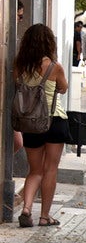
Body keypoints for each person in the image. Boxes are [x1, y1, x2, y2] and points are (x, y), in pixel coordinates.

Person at [13, 24, 70, 227]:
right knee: (50, 169)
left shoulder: (20, 66)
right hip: (54, 120)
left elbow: (17, 86)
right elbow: (63, 88)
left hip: (30, 123)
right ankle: (44, 216)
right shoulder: (54, 67)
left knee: (34, 170)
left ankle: (27, 208)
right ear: (49, 43)